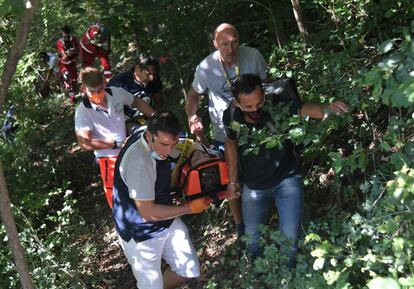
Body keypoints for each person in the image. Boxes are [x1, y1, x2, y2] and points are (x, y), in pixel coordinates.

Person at [223, 74, 349, 265]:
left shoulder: (277, 106)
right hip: (254, 186)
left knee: (289, 241)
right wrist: (233, 181)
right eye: (248, 107)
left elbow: (309, 109)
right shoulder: (231, 116)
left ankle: (286, 277)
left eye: (259, 103)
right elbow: (231, 144)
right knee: (253, 242)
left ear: (264, 94)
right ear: (236, 103)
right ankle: (259, 275)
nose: (255, 109)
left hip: (286, 180)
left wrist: (327, 109)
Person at [185, 23, 267, 237]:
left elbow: (268, 86)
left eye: (234, 42)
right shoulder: (205, 68)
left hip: (256, 127)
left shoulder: (253, 56)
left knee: (259, 172)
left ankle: (264, 219)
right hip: (224, 131)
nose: (231, 49)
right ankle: (241, 227)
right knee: (231, 179)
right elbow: (194, 96)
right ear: (215, 44)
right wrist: (192, 116)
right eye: (224, 44)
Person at [112, 110, 210, 289]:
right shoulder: (139, 163)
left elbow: (187, 147)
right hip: (141, 231)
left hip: (164, 219)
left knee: (188, 270)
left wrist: (198, 154)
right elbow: (148, 213)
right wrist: (190, 208)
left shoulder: (150, 133)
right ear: (149, 135)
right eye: (164, 145)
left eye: (173, 144)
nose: (168, 151)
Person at [74, 67, 154, 208]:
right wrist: (115, 144)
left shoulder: (115, 93)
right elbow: (84, 143)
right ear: (83, 89)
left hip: (129, 151)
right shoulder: (83, 111)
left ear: (105, 83)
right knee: (117, 200)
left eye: (100, 89)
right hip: (108, 158)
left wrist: (156, 118)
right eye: (92, 91)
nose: (97, 94)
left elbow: (137, 102)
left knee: (144, 185)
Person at [108, 53, 163, 133]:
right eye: (148, 74)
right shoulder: (118, 84)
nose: (151, 78)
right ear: (137, 68)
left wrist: (157, 118)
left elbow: (159, 102)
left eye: (154, 75)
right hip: (124, 124)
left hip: (148, 117)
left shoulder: (155, 80)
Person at [56, 25, 79, 102]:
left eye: (66, 34)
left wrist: (72, 53)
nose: (65, 36)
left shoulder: (74, 40)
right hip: (64, 64)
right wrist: (66, 53)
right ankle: (70, 95)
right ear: (62, 33)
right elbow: (63, 54)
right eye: (64, 34)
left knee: (74, 79)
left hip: (72, 63)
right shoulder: (59, 42)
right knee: (66, 77)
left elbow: (77, 50)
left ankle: (73, 95)